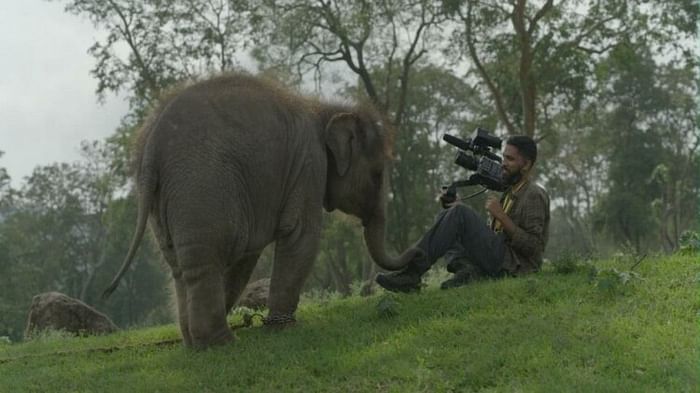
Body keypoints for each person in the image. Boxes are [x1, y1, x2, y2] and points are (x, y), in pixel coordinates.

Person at [376, 135, 550, 292]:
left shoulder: (533, 194)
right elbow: (495, 234)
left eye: (510, 159)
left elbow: (534, 248)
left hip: (516, 266)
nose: (503, 163)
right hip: (500, 257)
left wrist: (502, 217)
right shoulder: (510, 191)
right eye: (504, 157)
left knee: (459, 214)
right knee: (450, 213)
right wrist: (458, 208)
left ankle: (411, 274)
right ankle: (467, 272)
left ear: (526, 164)